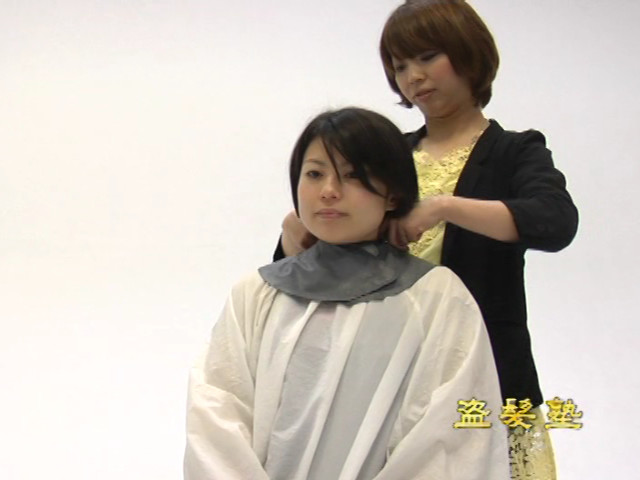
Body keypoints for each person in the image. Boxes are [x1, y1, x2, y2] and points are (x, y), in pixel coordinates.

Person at [276, 2, 578, 478]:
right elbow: (325, 255)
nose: (413, 77)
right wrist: (294, 237)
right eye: (399, 66)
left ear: (469, 53)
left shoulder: (514, 151)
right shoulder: (387, 153)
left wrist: (443, 207)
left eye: (427, 57)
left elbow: (555, 222)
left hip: (486, 371)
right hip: (386, 373)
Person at [185, 107, 509, 479]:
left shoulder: (436, 298)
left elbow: (449, 438)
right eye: (314, 174)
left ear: (393, 194)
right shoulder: (256, 295)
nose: (328, 191)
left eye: (353, 175)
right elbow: (217, 415)